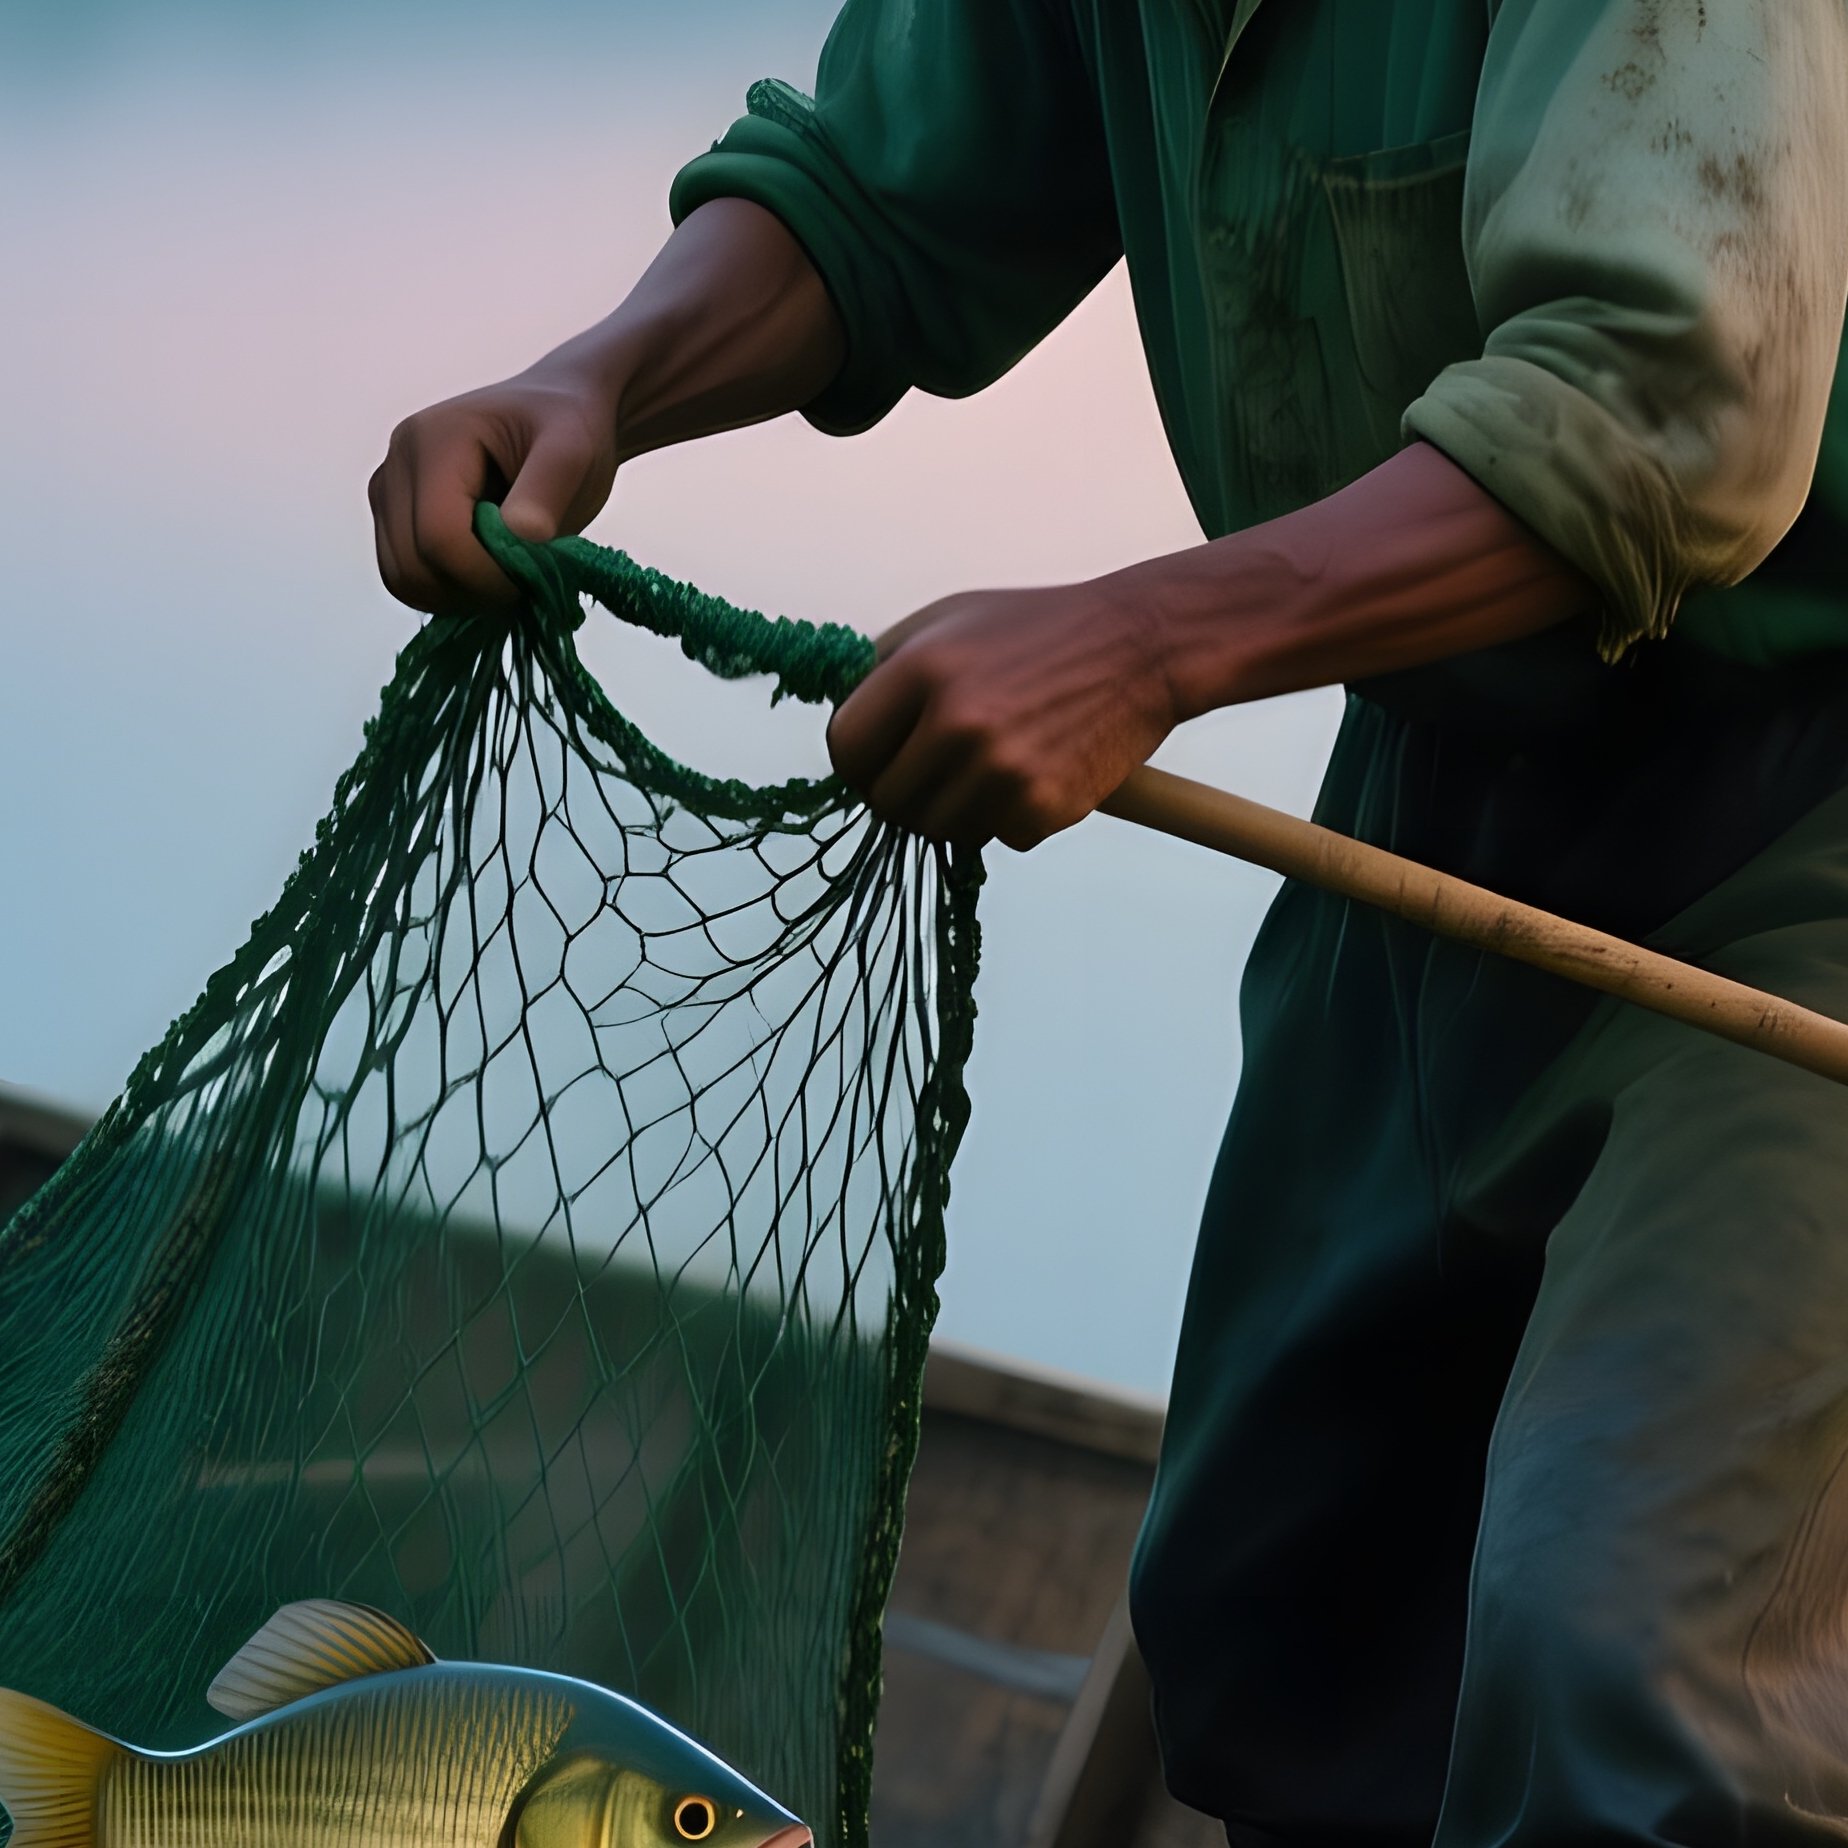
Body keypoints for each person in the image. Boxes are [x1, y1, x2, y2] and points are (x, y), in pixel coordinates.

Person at [368, 2, 1848, 1842]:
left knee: (1631, 1668)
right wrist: (602, 377)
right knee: (1267, 1601)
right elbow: (883, 186)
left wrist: (1145, 640)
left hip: (1812, 815)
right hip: (1453, 748)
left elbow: (1662, 400)